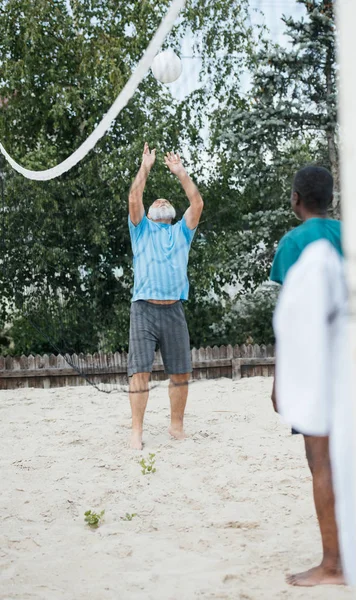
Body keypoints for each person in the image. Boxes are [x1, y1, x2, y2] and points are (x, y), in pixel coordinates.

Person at [270, 166, 344, 586]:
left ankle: (332, 563)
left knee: (321, 464)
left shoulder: (292, 243)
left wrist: (281, 380)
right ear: (330, 198)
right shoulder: (352, 235)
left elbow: (291, 317)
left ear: (296, 198)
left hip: (317, 366)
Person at [127, 142, 204, 450]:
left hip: (174, 309)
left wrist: (181, 173)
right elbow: (135, 197)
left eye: (164, 199)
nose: (159, 200)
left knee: (182, 371)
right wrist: (145, 167)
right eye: (155, 200)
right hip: (143, 309)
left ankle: (176, 427)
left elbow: (197, 204)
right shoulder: (141, 229)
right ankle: (136, 432)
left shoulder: (181, 232)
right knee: (140, 371)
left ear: (171, 214)